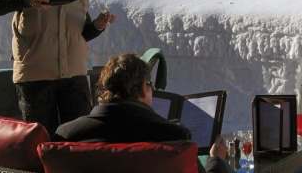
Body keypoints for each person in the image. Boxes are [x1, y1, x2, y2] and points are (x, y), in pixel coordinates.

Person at [0, 0, 116, 135]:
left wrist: (97, 26)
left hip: (74, 77)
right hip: (36, 77)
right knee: (42, 139)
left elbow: (81, 35)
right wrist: (27, 0)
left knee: (79, 138)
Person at [56, 53, 230, 173]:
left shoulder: (65, 135)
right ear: (142, 88)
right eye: (150, 85)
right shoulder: (171, 137)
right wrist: (217, 161)